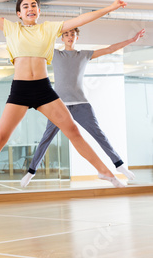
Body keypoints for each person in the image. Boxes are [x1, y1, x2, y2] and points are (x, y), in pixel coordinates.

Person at [0, 0, 128, 207]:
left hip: (44, 89)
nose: (30, 8)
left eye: (34, 5)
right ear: (19, 13)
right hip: (20, 91)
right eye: (25, 6)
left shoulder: (49, 29)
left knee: (73, 130)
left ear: (39, 11)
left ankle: (105, 172)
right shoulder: (11, 29)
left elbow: (81, 19)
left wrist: (111, 7)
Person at [21, 28, 145, 187]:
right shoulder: (55, 54)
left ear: (77, 37)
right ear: (62, 39)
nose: (69, 37)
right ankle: (31, 172)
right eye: (66, 35)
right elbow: (34, 45)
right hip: (58, 106)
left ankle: (119, 165)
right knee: (46, 138)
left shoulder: (84, 55)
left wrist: (131, 41)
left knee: (99, 134)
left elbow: (109, 49)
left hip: (81, 104)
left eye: (72, 34)